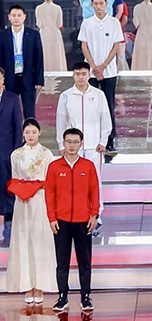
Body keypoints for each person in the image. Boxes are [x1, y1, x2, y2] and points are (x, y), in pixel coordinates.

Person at [45, 128, 100, 312]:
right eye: (69, 141)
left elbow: (95, 191)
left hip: (84, 221)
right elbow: (49, 193)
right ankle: (62, 297)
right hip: (61, 222)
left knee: (85, 262)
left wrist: (94, 214)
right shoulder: (54, 167)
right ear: (63, 143)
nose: (72, 145)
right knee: (62, 262)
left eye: (75, 142)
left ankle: (86, 297)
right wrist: (52, 217)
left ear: (81, 144)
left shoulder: (88, 166)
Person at [6, 118, 57, 303]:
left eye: (33, 132)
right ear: (23, 134)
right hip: (22, 203)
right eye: (27, 132)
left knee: (40, 241)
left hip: (40, 200)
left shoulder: (47, 154)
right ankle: (27, 286)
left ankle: (40, 285)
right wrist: (22, 191)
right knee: (24, 241)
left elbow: (50, 181)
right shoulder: (16, 154)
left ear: (39, 133)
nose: (30, 135)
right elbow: (15, 179)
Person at [56, 61, 111, 230]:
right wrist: (61, 144)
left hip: (94, 146)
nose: (80, 77)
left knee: (95, 180)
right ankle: (75, 213)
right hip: (73, 147)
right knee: (73, 180)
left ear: (89, 75)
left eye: (83, 74)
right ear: (73, 75)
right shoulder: (66, 96)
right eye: (77, 74)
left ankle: (96, 215)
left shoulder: (98, 95)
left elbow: (105, 118)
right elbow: (60, 120)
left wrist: (103, 141)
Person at [78, 0, 123, 155]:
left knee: (108, 106)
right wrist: (94, 67)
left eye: (101, 3)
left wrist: (103, 66)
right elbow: (84, 47)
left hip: (109, 72)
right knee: (89, 107)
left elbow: (116, 46)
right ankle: (90, 140)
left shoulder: (114, 23)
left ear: (106, 4)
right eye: (95, 4)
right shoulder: (87, 23)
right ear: (91, 5)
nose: (98, 7)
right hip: (90, 73)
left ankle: (110, 141)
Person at [0, 4, 44, 119]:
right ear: (9, 17)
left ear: (24, 17)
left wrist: (39, 80)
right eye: (13, 15)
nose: (16, 18)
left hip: (28, 78)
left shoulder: (33, 34)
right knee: (10, 112)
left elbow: (38, 57)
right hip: (9, 79)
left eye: (19, 15)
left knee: (29, 112)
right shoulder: (2, 36)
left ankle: (29, 130)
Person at [0, 67, 23, 242]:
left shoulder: (12, 99)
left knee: (8, 186)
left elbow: (17, 127)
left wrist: (16, 152)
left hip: (7, 151)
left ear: (3, 79)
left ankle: (9, 222)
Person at [35, 0, 67, 72]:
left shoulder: (38, 8)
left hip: (44, 34)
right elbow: (59, 24)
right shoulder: (58, 8)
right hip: (55, 34)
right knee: (56, 55)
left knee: (44, 54)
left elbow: (39, 24)